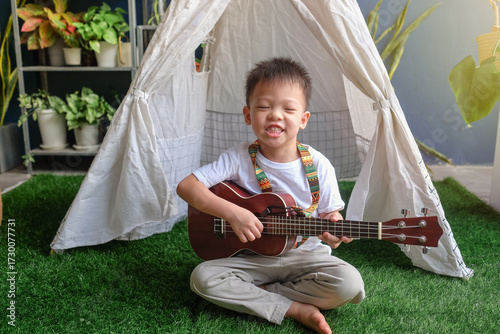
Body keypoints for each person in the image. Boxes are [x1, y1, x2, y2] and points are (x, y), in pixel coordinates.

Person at [177, 57, 365, 334]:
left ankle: (265, 294)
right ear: (248, 115)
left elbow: (330, 215)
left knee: (349, 284)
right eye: (264, 107)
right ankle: (294, 308)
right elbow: (186, 187)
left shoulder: (319, 164)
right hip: (249, 258)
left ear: (303, 120)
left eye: (288, 109)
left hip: (304, 257)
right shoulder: (237, 158)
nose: (275, 115)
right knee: (202, 278)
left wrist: (334, 229)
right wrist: (233, 213)